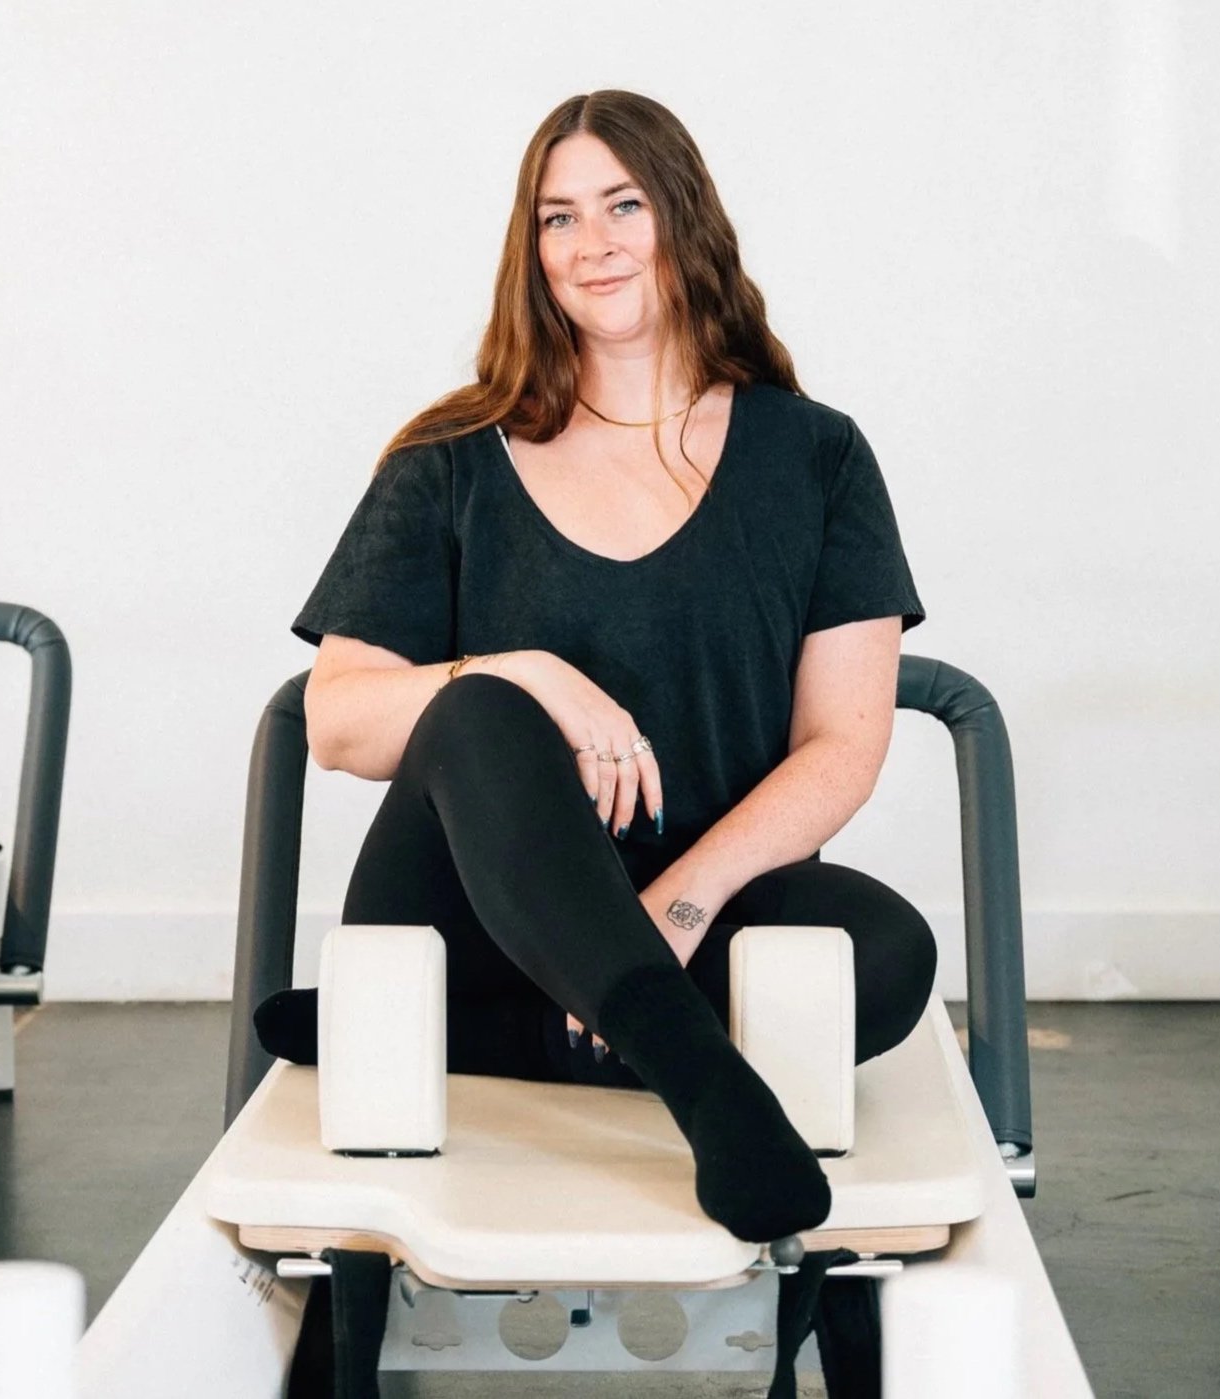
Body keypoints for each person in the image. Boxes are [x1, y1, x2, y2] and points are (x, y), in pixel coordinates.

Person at [255, 89, 936, 1249]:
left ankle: (502, 1032)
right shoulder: (452, 455)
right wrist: (527, 673)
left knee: (886, 952)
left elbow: (844, 743)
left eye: (623, 205)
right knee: (478, 707)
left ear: (684, 217)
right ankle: (704, 1084)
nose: (592, 243)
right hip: (471, 910)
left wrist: (681, 901)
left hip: (692, 894)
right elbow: (337, 721)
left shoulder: (814, 454)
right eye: (557, 218)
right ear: (532, 253)